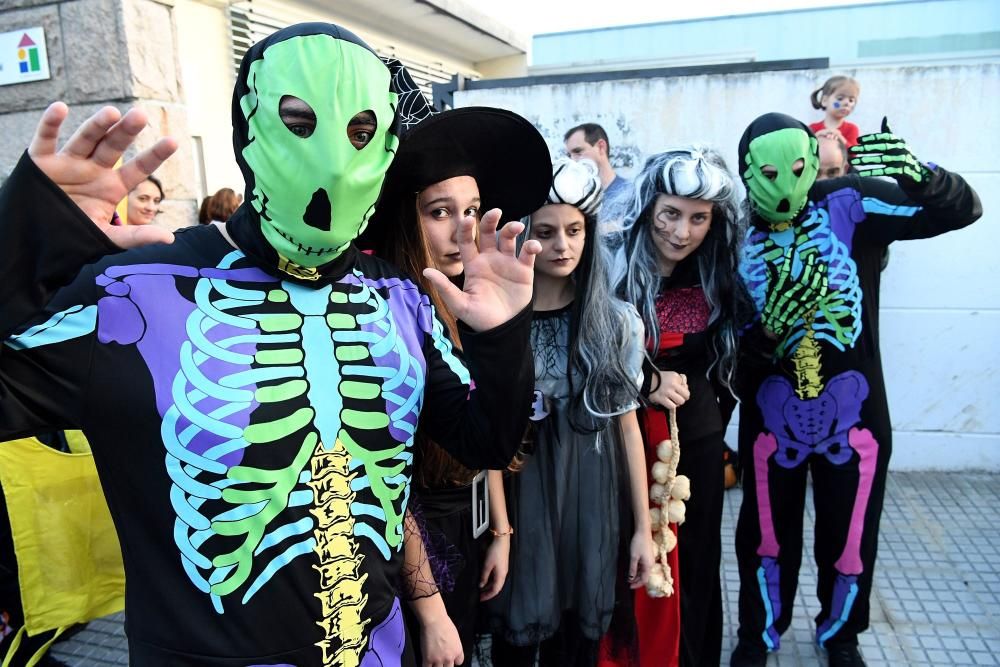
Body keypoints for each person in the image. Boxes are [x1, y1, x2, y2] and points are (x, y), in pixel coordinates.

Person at [0, 23, 544, 667]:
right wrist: (24, 239)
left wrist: (502, 336)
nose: (335, 159)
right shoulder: (136, 294)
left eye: (362, 133)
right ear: (248, 133)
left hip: (377, 648)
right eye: (298, 121)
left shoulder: (395, 296)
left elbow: (486, 439)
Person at [730, 113, 982, 667]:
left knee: (851, 535)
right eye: (768, 173)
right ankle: (758, 633)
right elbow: (726, 351)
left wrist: (919, 173)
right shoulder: (732, 233)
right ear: (748, 174)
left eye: (798, 169)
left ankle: (841, 634)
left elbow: (961, 209)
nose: (785, 185)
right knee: (765, 535)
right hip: (772, 419)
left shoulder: (850, 204)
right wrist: (768, 330)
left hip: (857, 414)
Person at [358, 106, 552, 667]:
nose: (462, 229)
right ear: (403, 217)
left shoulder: (470, 300)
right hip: (408, 542)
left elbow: (484, 430)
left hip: (467, 523)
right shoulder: (381, 314)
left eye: (471, 210)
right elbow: (381, 479)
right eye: (440, 211)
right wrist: (430, 611)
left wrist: (500, 527)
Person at [488, 157, 654, 667]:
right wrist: (500, 530)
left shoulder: (617, 322)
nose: (562, 245)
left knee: (577, 646)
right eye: (547, 231)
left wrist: (644, 531)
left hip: (591, 500)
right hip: (519, 498)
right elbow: (488, 433)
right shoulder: (498, 319)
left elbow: (628, 427)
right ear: (524, 235)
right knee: (515, 642)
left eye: (575, 230)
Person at [609, 147, 754, 667]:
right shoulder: (608, 263)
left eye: (699, 218)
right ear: (649, 206)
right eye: (670, 214)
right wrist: (642, 378)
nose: (682, 231)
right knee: (626, 558)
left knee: (694, 563)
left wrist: (712, 419)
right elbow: (587, 346)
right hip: (621, 440)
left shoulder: (719, 269)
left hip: (692, 445)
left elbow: (731, 361)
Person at [564, 123, 632, 219]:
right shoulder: (573, 200)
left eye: (578, 152)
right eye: (569, 155)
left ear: (601, 147)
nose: (572, 161)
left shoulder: (632, 194)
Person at [808, 75, 861, 147]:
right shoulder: (813, 128)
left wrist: (840, 138)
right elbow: (806, 151)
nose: (847, 103)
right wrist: (817, 136)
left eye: (851, 100)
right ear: (825, 100)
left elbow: (854, 153)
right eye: (840, 98)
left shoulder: (852, 129)